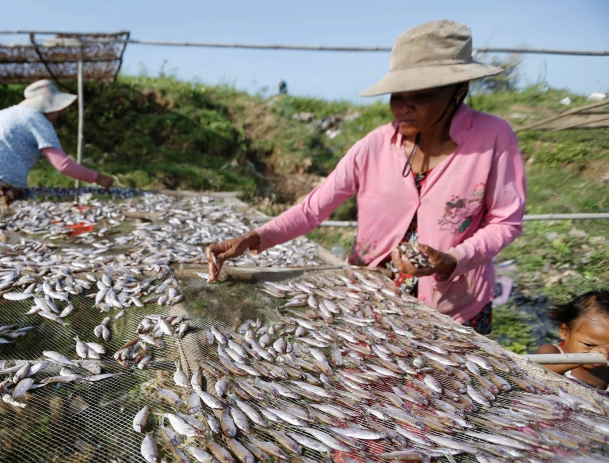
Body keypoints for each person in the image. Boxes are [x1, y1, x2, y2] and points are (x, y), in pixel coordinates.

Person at [206, 20, 526, 334]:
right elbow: (313, 209)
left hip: (455, 304)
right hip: (373, 298)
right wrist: (255, 238)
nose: (404, 107)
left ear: (460, 90)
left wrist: (451, 259)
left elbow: (505, 221)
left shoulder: (493, 138)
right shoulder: (374, 146)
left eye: (421, 95)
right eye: (397, 96)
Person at [0, 79, 115, 212]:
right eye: (56, 111)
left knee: (23, 214)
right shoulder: (36, 119)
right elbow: (62, 164)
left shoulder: (11, 113)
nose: (57, 116)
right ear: (46, 107)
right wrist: (98, 178)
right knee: (2, 225)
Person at [534, 290, 609, 390]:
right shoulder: (552, 351)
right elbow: (542, 372)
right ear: (564, 331)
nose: (601, 353)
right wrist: (585, 358)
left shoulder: (605, 370)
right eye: (589, 345)